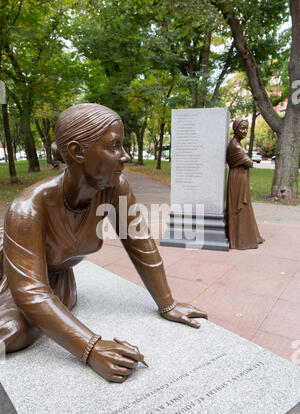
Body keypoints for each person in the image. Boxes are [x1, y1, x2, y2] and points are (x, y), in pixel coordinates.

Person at [0, 103, 207, 383]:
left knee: (47, 317)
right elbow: (30, 290)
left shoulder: (114, 187)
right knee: (13, 333)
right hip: (11, 277)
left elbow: (141, 244)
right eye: (114, 146)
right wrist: (92, 348)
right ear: (77, 152)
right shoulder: (28, 207)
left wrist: (167, 305)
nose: (126, 156)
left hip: (56, 281)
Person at [226, 118, 264, 250]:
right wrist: (246, 160)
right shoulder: (235, 146)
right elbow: (249, 163)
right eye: (242, 128)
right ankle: (239, 240)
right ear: (235, 129)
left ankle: (248, 237)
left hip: (240, 178)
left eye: (246, 128)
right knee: (240, 207)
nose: (245, 131)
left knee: (244, 207)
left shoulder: (238, 144)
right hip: (237, 179)